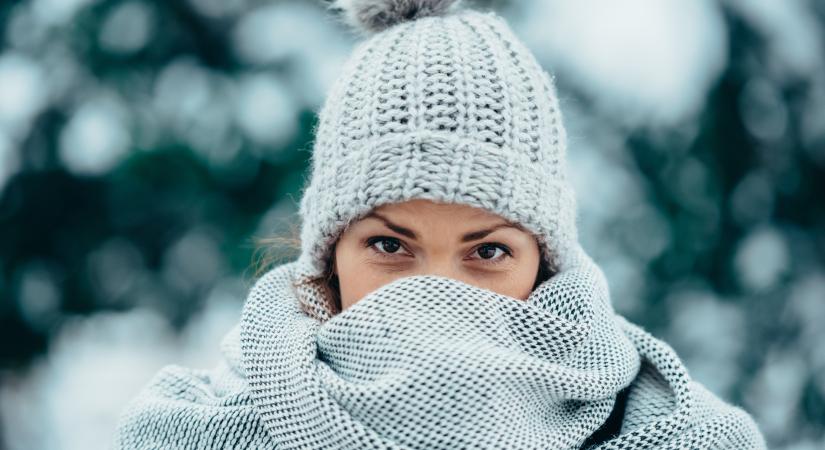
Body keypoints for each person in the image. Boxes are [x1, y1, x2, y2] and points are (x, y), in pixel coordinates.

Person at [113, 0, 767, 448]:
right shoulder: (197, 433)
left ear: (545, 261)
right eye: (390, 244)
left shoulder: (678, 435)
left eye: (485, 252)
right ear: (328, 254)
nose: (435, 290)